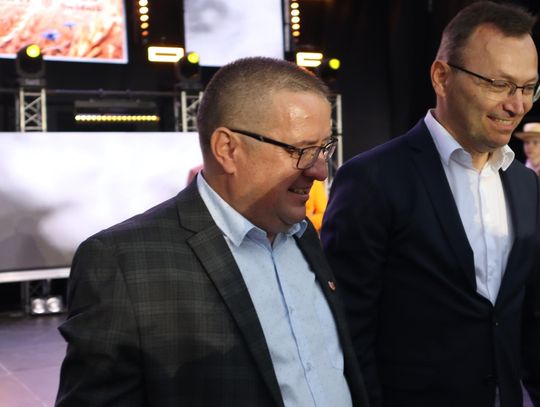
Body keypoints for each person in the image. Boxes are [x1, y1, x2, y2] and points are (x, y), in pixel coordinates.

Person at [55, 57, 369, 407]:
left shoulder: (304, 235)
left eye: (324, 149)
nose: (321, 171)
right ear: (227, 149)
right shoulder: (123, 263)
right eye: (303, 151)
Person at [321, 2, 540, 407]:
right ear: (442, 77)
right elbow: (348, 328)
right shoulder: (372, 179)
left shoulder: (526, 185)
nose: (518, 105)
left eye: (528, 88)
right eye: (499, 84)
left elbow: (528, 317)